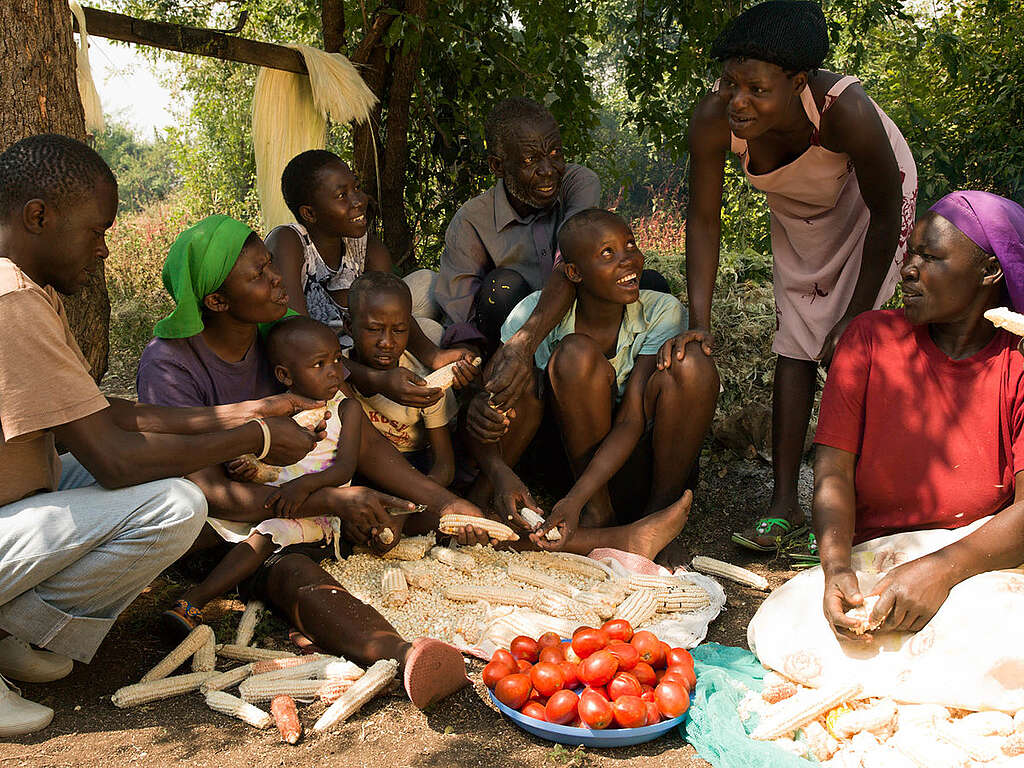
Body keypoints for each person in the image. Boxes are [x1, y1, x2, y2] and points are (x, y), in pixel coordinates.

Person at [0, 135, 322, 736]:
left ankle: (16, 629)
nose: (102, 250)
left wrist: (248, 410)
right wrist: (252, 436)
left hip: (19, 499)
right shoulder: (11, 299)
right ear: (37, 216)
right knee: (173, 503)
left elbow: (105, 414)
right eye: (97, 231)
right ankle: (13, 627)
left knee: (167, 486)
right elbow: (117, 460)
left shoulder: (32, 291)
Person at [137, 215, 500, 709]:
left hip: (304, 496)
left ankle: (579, 540)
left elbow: (360, 437)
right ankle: (403, 653)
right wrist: (328, 498)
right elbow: (207, 491)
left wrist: (448, 500)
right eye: (258, 274)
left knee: (405, 517)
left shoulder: (281, 334)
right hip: (227, 519)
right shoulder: (171, 364)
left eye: (270, 264)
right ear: (217, 301)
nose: (277, 278)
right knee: (291, 573)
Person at [747, 193, 1024, 710]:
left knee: (1004, 640)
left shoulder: (1018, 363)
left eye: (931, 257)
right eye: (910, 254)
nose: (910, 270)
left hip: (979, 565)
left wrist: (943, 571)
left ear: (989, 271)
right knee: (789, 626)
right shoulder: (871, 338)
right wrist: (836, 570)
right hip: (879, 560)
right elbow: (832, 470)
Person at [676, 0, 918, 554]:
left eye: (757, 90)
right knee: (796, 342)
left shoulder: (844, 110)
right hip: (798, 212)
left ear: (797, 82)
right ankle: (783, 504)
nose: (738, 101)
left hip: (870, 206)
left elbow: (886, 212)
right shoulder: (715, 118)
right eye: (729, 83)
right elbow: (704, 218)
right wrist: (700, 320)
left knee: (853, 349)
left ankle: (851, 511)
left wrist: (855, 315)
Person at [467, 209, 720, 561]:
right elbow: (488, 402)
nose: (628, 260)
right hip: (564, 462)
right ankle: (599, 517)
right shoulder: (530, 316)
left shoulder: (662, 310)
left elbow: (633, 418)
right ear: (574, 273)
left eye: (630, 245)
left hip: (634, 461)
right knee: (575, 354)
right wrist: (576, 498)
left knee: (693, 363)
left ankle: (658, 517)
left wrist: (576, 498)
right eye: (608, 254)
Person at [162, 316, 365, 635]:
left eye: (338, 359)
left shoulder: (347, 409)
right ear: (285, 375)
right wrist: (249, 470)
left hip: (322, 509)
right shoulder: (279, 411)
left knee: (268, 532)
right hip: (274, 498)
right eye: (319, 364)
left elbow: (344, 470)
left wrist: (303, 487)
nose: (334, 371)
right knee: (213, 524)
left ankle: (193, 602)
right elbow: (273, 467)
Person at [265, 150, 476, 412]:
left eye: (356, 187)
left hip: (363, 338)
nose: (359, 200)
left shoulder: (363, 243)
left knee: (427, 296)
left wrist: (434, 356)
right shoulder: (289, 242)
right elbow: (296, 345)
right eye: (342, 195)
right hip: (320, 363)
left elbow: (393, 307)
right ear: (309, 213)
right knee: (420, 341)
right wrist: (379, 381)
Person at [436, 98, 607, 351]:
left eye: (555, 153)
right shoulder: (472, 221)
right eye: (530, 160)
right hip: (506, 342)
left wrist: (527, 341)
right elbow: (463, 317)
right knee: (502, 287)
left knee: (648, 282)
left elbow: (571, 261)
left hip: (577, 325)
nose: (548, 170)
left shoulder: (577, 183)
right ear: (497, 166)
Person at [347, 272, 467, 487]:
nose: (386, 342)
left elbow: (443, 466)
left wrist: (420, 495)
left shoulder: (424, 383)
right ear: (348, 326)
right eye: (374, 329)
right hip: (356, 463)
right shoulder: (336, 370)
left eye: (400, 330)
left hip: (412, 465)